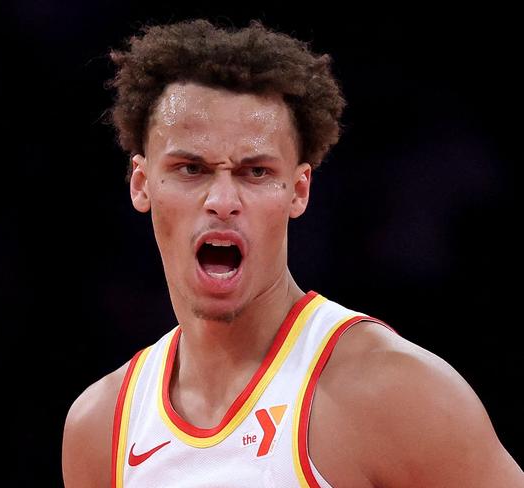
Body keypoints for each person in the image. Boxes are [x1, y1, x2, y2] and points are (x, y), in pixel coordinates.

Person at [62, 19, 523, 487]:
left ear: (299, 190)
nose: (223, 201)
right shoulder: (101, 426)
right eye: (191, 168)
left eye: (255, 172)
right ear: (142, 184)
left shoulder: (396, 392)